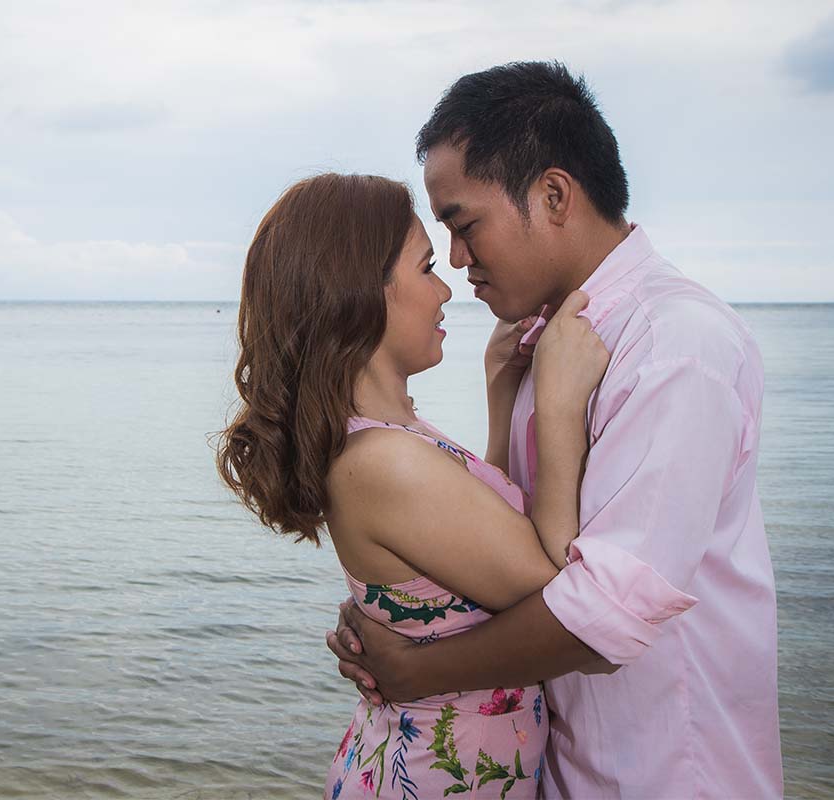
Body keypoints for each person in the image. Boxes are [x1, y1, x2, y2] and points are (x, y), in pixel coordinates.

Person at [327, 62, 783, 798]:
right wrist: (403, 607)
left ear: (553, 195)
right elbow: (512, 544)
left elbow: (603, 618)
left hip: (661, 775)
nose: (458, 262)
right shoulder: (551, 343)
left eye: (464, 226)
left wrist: (416, 668)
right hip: (560, 772)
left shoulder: (674, 347)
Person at [216, 171, 610, 799]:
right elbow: (561, 593)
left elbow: (484, 537)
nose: (446, 288)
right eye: (426, 267)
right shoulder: (384, 461)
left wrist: (501, 389)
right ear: (361, 294)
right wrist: (559, 409)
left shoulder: (389, 438)